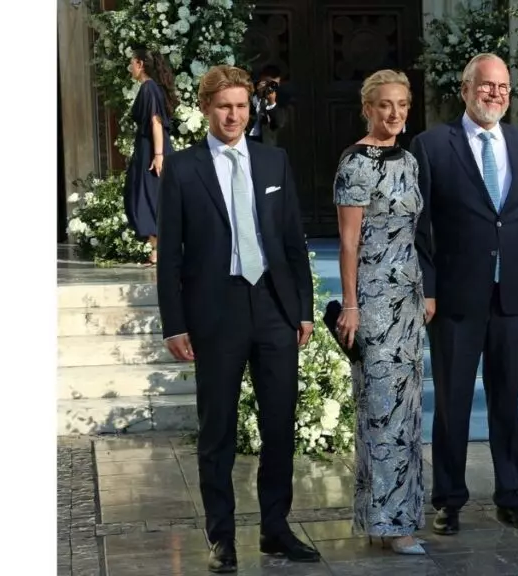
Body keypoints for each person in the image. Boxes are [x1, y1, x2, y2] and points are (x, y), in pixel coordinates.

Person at [156, 65, 319, 573]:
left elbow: (293, 241)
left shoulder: (274, 162)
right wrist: (174, 323)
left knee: (279, 426)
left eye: (241, 106)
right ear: (206, 108)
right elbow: (171, 258)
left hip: (273, 308)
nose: (233, 115)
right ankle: (220, 537)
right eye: (224, 106)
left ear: (251, 109)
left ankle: (275, 529)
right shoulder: (183, 169)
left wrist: (304, 309)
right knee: (218, 430)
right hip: (216, 311)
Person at [410, 53, 518, 535]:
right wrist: (427, 290)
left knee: (508, 400)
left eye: (503, 87)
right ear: (465, 89)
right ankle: (449, 500)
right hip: (455, 299)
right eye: (486, 86)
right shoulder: (431, 145)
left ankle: (512, 496)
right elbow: (419, 228)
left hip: (516, 296)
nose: (495, 94)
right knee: (453, 401)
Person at [332, 69, 429, 556]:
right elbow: (348, 242)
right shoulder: (354, 163)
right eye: (385, 105)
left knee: (406, 416)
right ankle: (394, 526)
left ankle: (391, 519)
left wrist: (423, 291)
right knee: (380, 414)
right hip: (373, 301)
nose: (395, 114)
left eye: (402, 105)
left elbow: (414, 232)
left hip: (409, 301)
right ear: (368, 108)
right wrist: (350, 304)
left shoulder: (409, 161)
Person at [124, 47, 177, 265]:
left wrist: (158, 155)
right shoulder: (149, 88)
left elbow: (156, 123)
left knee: (149, 197)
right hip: (147, 148)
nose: (129, 68)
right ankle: (156, 250)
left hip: (153, 150)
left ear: (140, 64)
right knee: (143, 196)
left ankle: (162, 250)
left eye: (131, 63)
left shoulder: (149, 89)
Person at [248, 64, 289, 146]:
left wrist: (272, 103)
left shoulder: (281, 97)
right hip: (246, 138)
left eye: (274, 84)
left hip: (266, 142)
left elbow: (279, 123)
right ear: (260, 79)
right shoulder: (249, 90)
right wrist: (257, 95)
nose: (270, 87)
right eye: (267, 83)